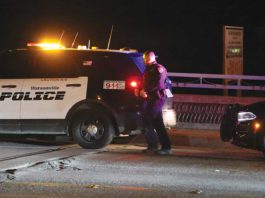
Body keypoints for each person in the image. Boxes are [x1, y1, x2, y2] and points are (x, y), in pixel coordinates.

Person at [139, 50, 172, 155]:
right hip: (152, 98)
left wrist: (146, 91)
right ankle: (164, 147)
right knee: (158, 123)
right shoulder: (148, 69)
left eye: (147, 58)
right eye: (145, 59)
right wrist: (141, 90)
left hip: (157, 99)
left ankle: (155, 146)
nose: (145, 60)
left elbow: (159, 85)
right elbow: (146, 82)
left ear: (152, 58)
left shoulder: (158, 69)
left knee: (147, 120)